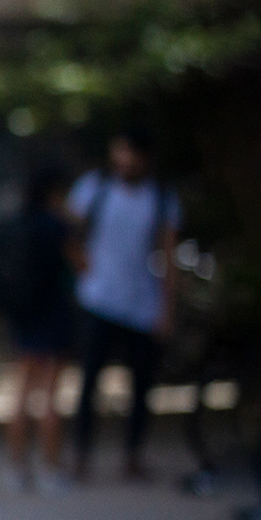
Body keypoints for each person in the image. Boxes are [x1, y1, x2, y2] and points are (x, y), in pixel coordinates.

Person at [68, 130, 180, 483]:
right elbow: (68, 234)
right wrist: (83, 270)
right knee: (89, 383)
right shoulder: (95, 188)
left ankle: (133, 454)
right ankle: (81, 455)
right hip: (98, 299)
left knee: (142, 386)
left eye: (131, 153)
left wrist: (167, 308)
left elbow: (169, 255)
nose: (124, 161)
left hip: (142, 304)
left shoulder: (161, 198)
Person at [0, 167, 78, 495]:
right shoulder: (56, 226)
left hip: (23, 315)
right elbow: (83, 264)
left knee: (21, 395)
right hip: (52, 313)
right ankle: (50, 470)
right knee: (50, 397)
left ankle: (15, 470)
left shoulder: (15, 223)